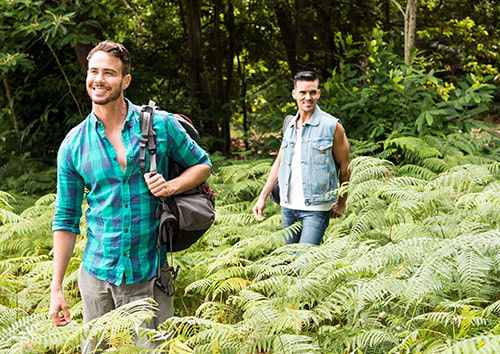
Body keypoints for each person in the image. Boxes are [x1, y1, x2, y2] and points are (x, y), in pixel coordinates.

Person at [49, 40, 212, 351]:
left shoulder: (160, 125)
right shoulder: (73, 144)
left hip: (149, 273)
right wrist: (56, 288)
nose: (98, 79)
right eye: (93, 71)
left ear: (125, 81)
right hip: (97, 277)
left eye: (108, 73)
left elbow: (202, 165)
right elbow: (66, 219)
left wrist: (171, 186)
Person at [252, 71, 350, 245]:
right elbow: (279, 164)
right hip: (288, 206)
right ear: (294, 94)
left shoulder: (332, 126)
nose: (308, 97)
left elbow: (345, 166)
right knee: (290, 260)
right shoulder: (290, 125)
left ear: (318, 93)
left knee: (303, 262)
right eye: (303, 92)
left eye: (312, 92)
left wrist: (342, 202)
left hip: (316, 208)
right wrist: (262, 197)